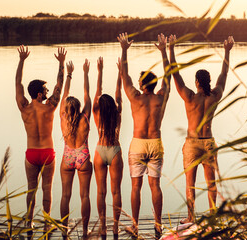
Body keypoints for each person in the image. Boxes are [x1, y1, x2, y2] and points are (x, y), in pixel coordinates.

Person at [169, 35, 234, 224]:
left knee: (191, 183)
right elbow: (224, 75)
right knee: (211, 182)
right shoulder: (215, 95)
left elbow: (175, 74)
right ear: (208, 82)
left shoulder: (189, 97)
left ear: (197, 81)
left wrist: (170, 50)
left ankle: (191, 217)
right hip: (209, 142)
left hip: (192, 144)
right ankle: (213, 215)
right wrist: (227, 52)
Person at [117, 32, 171, 238]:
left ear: (141, 84)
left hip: (138, 144)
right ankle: (158, 225)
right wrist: (164, 51)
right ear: (154, 84)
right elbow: (169, 74)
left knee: (136, 186)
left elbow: (124, 74)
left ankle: (135, 225)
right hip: (155, 143)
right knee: (155, 185)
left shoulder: (135, 98)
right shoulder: (161, 98)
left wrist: (124, 49)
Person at [15, 45, 66, 236]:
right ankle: (46, 224)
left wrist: (21, 61)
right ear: (39, 94)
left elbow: (17, 83)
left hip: (31, 154)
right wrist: (61, 64)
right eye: (44, 90)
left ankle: (29, 223)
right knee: (47, 189)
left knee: (31, 190)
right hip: (47, 153)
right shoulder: (50, 107)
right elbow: (59, 85)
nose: (47, 92)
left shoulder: (24, 108)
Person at [60, 59, 93, 239]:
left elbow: (64, 94)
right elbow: (88, 94)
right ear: (79, 107)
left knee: (65, 196)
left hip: (67, 156)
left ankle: (64, 230)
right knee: (85, 196)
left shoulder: (62, 118)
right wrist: (86, 73)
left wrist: (69, 75)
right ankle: (86, 230)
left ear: (66, 108)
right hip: (83, 157)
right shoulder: (85, 118)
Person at [92, 56, 123, 238]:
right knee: (116, 191)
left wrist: (100, 71)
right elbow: (118, 92)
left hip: (100, 151)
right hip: (115, 151)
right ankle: (116, 227)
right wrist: (120, 72)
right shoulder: (117, 113)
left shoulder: (97, 113)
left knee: (100, 191)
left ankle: (103, 226)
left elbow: (98, 91)